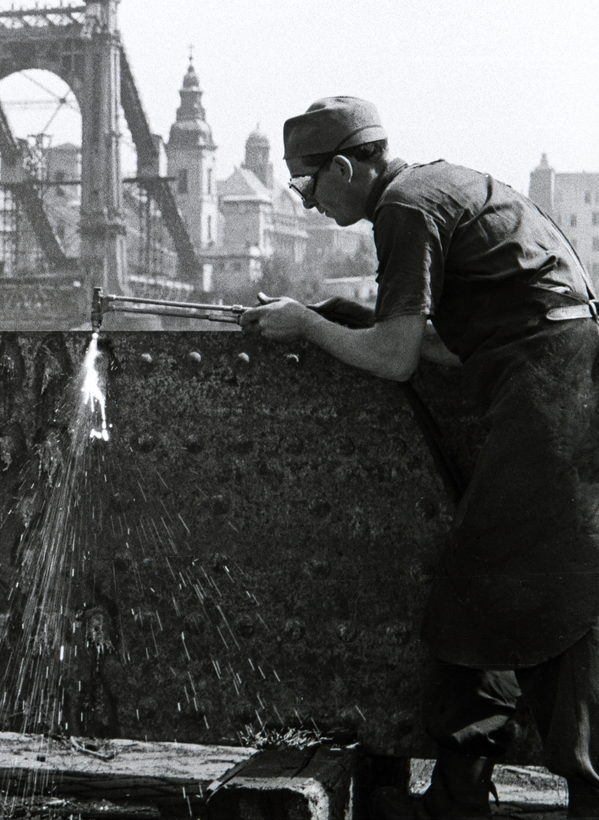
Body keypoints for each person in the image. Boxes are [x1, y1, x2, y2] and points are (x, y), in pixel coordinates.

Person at [241, 97, 599, 820]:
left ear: (343, 166)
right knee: (491, 587)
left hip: (551, 388)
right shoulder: (433, 187)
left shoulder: (403, 209)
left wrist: (308, 325)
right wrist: (359, 324)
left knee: (541, 592)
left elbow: (400, 360)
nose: (305, 204)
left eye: (306, 186)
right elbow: (443, 346)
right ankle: (460, 792)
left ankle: (542, 792)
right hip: (549, 374)